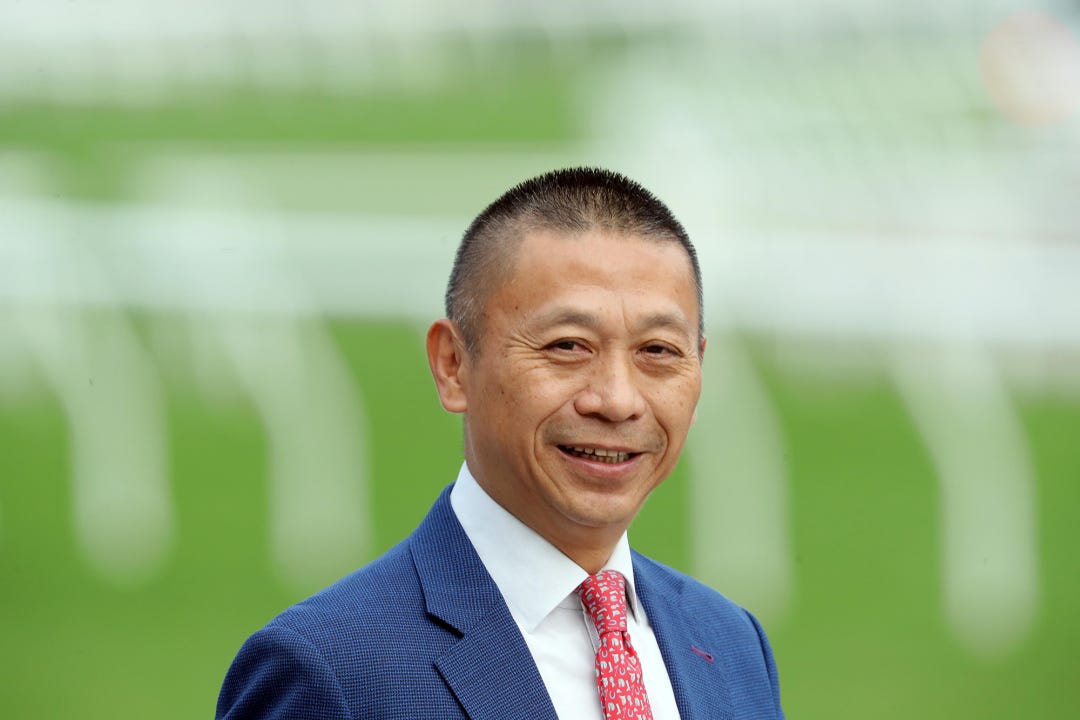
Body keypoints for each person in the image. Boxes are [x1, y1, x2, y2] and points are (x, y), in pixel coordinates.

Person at [216, 167, 784, 719]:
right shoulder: (331, 670)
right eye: (568, 346)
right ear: (453, 365)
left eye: (657, 351)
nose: (617, 400)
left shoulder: (730, 642)